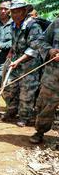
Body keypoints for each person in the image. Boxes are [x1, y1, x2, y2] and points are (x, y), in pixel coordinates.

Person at [3, 0, 44, 127]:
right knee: (9, 88)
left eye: (17, 12)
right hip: (15, 61)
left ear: (24, 12)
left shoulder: (33, 26)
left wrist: (18, 61)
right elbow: (15, 42)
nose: (14, 15)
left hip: (30, 64)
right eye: (12, 12)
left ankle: (24, 116)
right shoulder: (13, 25)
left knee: (27, 91)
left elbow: (34, 48)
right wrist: (11, 52)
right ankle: (12, 110)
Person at [29, 18, 59, 146]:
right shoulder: (57, 23)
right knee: (45, 105)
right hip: (52, 75)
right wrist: (50, 50)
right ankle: (40, 131)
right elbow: (40, 41)